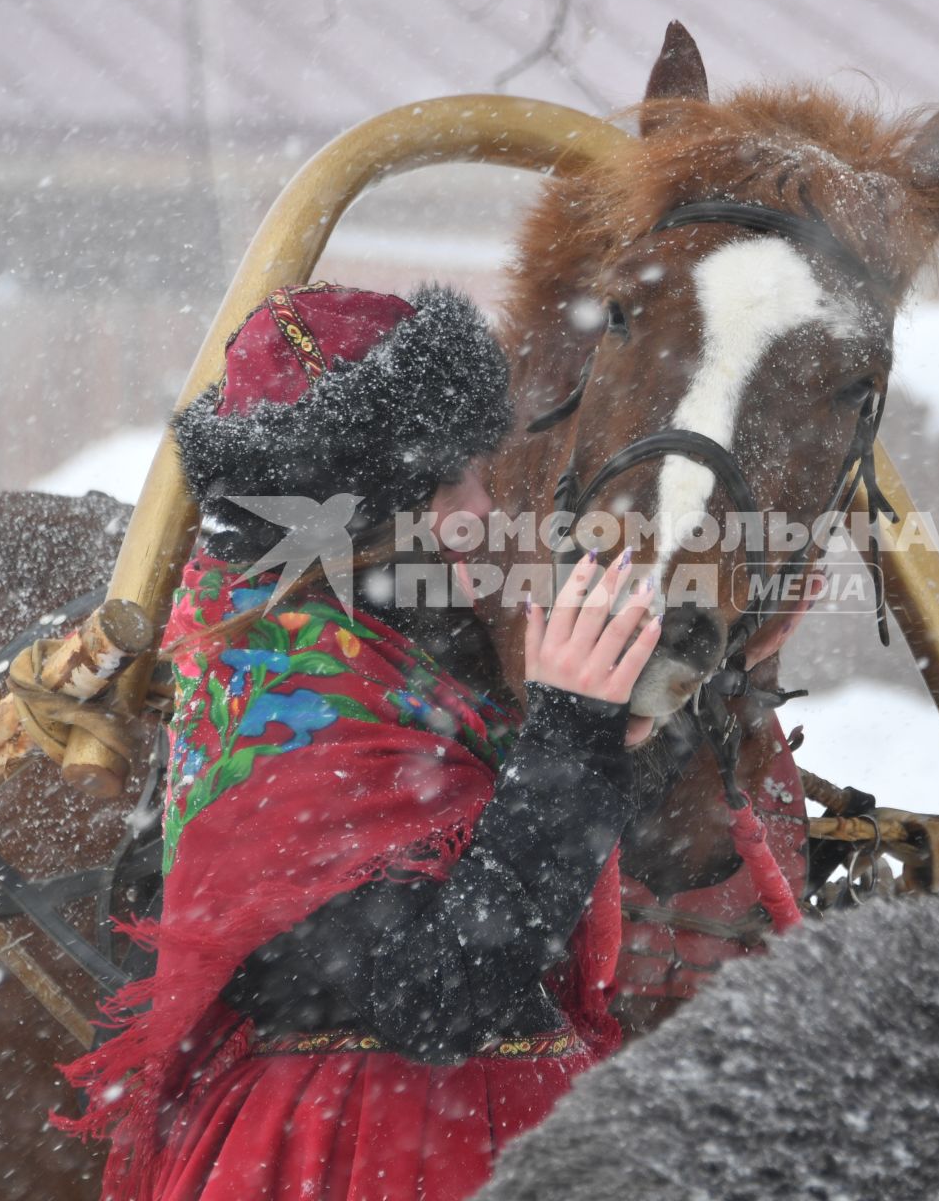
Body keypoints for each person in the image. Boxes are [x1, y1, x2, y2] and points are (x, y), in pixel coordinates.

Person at [57, 282, 663, 1201]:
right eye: (453, 479)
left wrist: (612, 726)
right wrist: (570, 737)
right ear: (366, 517)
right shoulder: (293, 718)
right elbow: (439, 993)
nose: (485, 510)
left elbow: (534, 870)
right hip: (357, 1158)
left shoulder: (399, 666)